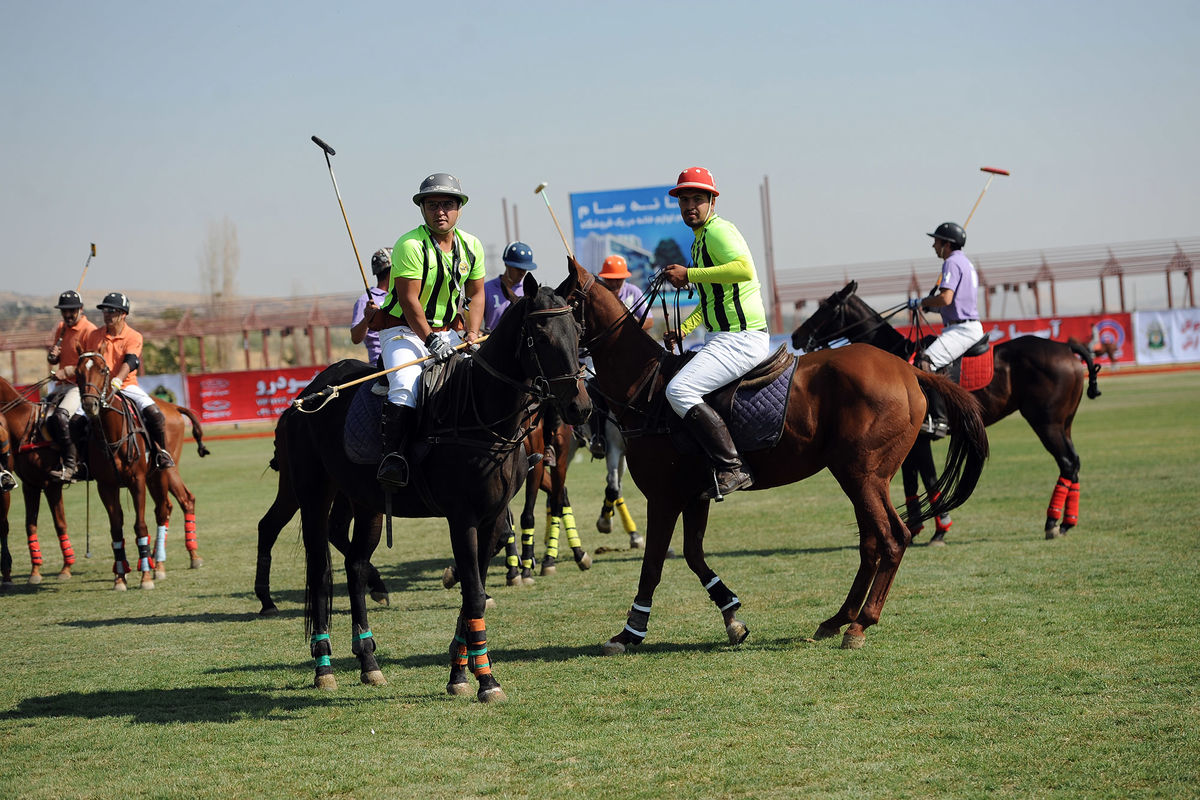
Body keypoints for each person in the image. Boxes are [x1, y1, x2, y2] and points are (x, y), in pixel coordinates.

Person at [661, 167, 768, 500]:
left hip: (741, 338)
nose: (689, 206)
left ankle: (732, 466)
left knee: (678, 390)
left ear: (711, 201)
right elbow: (711, 299)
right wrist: (685, 328)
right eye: (684, 200)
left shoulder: (719, 231)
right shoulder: (698, 241)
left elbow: (744, 269)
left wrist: (690, 272)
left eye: (697, 199)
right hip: (722, 337)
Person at [373, 173, 485, 488]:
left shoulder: (472, 245)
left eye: (447, 204)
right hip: (403, 331)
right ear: (422, 209)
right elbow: (409, 301)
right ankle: (393, 458)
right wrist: (430, 340)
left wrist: (473, 334)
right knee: (407, 385)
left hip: (451, 331)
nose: (440, 211)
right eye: (433, 204)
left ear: (459, 208)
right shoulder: (409, 245)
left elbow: (476, 294)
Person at [78, 292, 175, 471]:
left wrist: (117, 380)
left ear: (123, 314)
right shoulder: (94, 336)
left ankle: (162, 453)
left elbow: (131, 361)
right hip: (99, 389)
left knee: (155, 414)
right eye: (104, 311)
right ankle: (82, 462)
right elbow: (89, 363)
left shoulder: (134, 336)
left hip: (126, 385)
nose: (107, 314)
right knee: (76, 421)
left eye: (111, 311)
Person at [907, 221, 982, 436]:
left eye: (936, 241)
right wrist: (933, 307)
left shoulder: (951, 263)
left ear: (946, 244)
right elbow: (957, 303)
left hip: (962, 330)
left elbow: (946, 297)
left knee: (924, 362)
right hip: (963, 325)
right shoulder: (965, 263)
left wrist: (921, 302)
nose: (933, 246)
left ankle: (939, 420)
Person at [45, 290, 97, 482]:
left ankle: (71, 464)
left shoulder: (89, 331)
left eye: (71, 311)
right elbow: (55, 358)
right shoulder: (62, 328)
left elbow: (92, 364)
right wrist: (53, 356)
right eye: (64, 311)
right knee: (39, 417)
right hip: (60, 385)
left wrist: (67, 371)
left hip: (79, 386)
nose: (67, 315)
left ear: (81, 309)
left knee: (61, 416)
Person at [482, 241, 537, 334]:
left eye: (525, 269)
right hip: (492, 344)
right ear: (506, 264)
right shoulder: (486, 289)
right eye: (518, 268)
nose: (522, 273)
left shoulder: (530, 291)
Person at [349, 247, 392, 364]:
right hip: (380, 366)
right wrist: (368, 317)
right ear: (391, 271)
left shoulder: (401, 296)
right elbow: (355, 338)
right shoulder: (365, 300)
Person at [597, 255, 654, 331]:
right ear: (603, 278)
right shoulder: (598, 294)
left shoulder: (633, 291)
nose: (614, 283)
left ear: (624, 278)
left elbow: (649, 321)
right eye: (610, 279)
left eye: (618, 279)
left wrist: (627, 327)